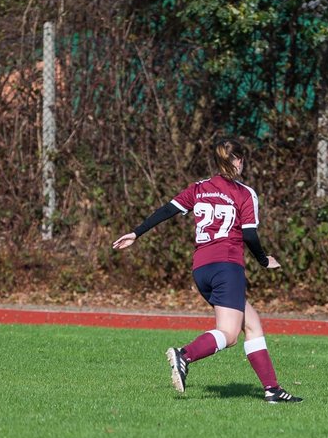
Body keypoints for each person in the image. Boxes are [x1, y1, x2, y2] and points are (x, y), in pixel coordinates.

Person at [112, 137, 302, 403]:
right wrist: (263, 260)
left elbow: (166, 210)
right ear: (238, 161)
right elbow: (250, 235)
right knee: (229, 333)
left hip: (201, 269)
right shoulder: (244, 193)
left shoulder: (200, 188)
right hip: (227, 267)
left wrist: (136, 233)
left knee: (253, 324)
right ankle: (184, 355)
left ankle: (272, 390)